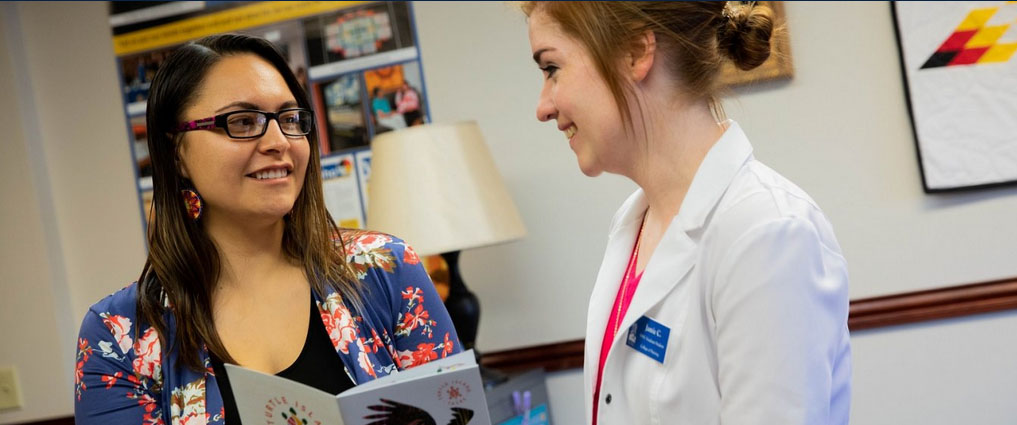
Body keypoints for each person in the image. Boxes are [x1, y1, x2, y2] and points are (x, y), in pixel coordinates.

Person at [74, 34, 460, 425]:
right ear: (177, 153)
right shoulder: (119, 335)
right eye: (242, 122)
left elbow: (453, 412)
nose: (279, 142)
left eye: (290, 119)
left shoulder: (384, 269)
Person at [524, 2, 851, 424]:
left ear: (635, 53)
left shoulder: (767, 234)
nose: (543, 107)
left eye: (552, 69)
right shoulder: (634, 222)